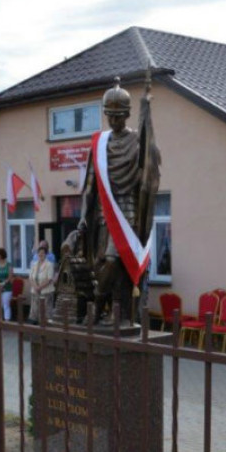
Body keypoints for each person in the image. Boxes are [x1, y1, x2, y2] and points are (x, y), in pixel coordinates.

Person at [77, 77, 161, 325]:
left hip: (129, 211)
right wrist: (83, 215)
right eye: (109, 116)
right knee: (104, 263)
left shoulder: (137, 140)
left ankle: (100, 303)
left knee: (117, 261)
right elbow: (89, 186)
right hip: (104, 213)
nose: (113, 121)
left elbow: (149, 163)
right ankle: (114, 311)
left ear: (126, 114)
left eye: (118, 116)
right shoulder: (99, 143)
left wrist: (146, 107)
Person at [27, 243, 56, 323]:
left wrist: (40, 287)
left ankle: (46, 328)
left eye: (42, 253)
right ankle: (35, 327)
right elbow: (30, 277)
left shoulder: (49, 265)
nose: (40, 254)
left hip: (46, 291)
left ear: (46, 254)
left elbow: (49, 279)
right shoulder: (34, 264)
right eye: (39, 253)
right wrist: (35, 287)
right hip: (35, 291)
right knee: (35, 311)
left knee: (46, 311)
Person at [0, 248, 14, 320]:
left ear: (1, 255)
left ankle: (7, 321)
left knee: (6, 304)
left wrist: (3, 284)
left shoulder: (9, 265)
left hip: (7, 287)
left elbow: (10, 276)